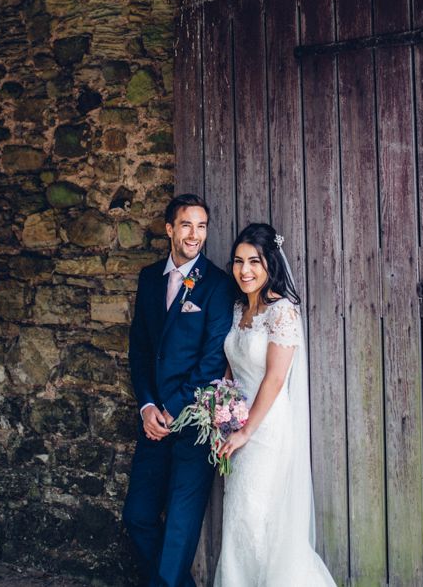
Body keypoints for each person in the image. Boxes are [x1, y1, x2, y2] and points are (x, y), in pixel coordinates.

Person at [123, 194, 236, 587]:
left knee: (179, 532)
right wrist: (148, 406)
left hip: (193, 424)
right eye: (187, 225)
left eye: (201, 226)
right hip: (153, 423)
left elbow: (211, 360)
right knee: (137, 516)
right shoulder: (148, 278)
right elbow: (139, 348)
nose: (195, 234)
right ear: (170, 229)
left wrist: (173, 409)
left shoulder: (218, 286)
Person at [213, 223, 336, 586]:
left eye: (254, 261)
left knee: (259, 517)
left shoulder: (282, 311)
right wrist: (221, 415)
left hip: (266, 430)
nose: (244, 270)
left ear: (270, 265)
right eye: (238, 261)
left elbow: (275, 378)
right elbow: (231, 370)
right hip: (237, 428)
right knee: (240, 518)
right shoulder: (238, 310)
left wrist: (246, 430)